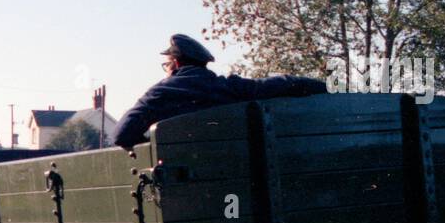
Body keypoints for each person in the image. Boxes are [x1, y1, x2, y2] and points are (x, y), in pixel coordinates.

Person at [113, 34, 328, 148]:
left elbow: (121, 135)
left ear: (176, 64)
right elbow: (285, 83)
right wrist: (330, 88)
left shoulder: (158, 94)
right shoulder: (230, 88)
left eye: (166, 65)